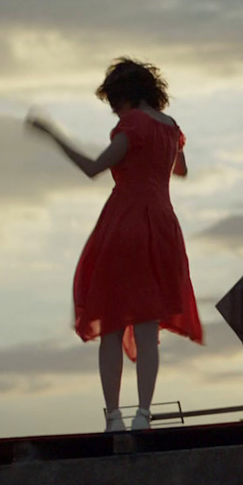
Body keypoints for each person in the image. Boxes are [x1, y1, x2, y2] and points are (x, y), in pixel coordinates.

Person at [26, 57, 204, 432]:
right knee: (146, 326)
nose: (114, 111)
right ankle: (144, 414)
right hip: (163, 226)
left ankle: (114, 417)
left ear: (125, 97)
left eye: (114, 103)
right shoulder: (171, 128)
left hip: (125, 225)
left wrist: (52, 134)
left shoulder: (132, 124)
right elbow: (181, 170)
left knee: (110, 321)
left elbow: (94, 168)